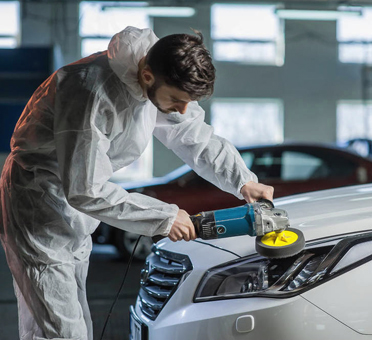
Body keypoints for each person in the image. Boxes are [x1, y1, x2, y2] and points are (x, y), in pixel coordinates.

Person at [0, 26, 273, 340]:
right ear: (147, 76)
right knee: (62, 329)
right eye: (177, 100)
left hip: (70, 208)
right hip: (40, 203)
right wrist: (164, 217)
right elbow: (85, 188)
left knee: (66, 319)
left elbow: (194, 138)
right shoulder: (92, 91)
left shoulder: (157, 79)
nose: (182, 110)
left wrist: (244, 182)